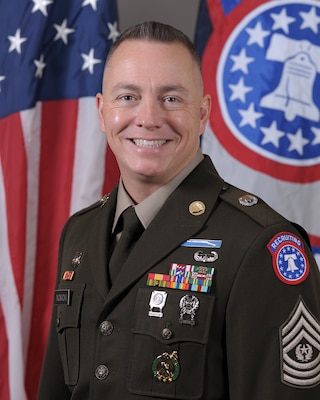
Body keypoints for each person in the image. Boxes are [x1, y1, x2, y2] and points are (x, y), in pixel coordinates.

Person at [38, 21, 320, 399]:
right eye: (128, 97)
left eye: (171, 98)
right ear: (103, 113)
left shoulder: (259, 245)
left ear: (202, 114)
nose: (149, 117)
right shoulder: (80, 232)